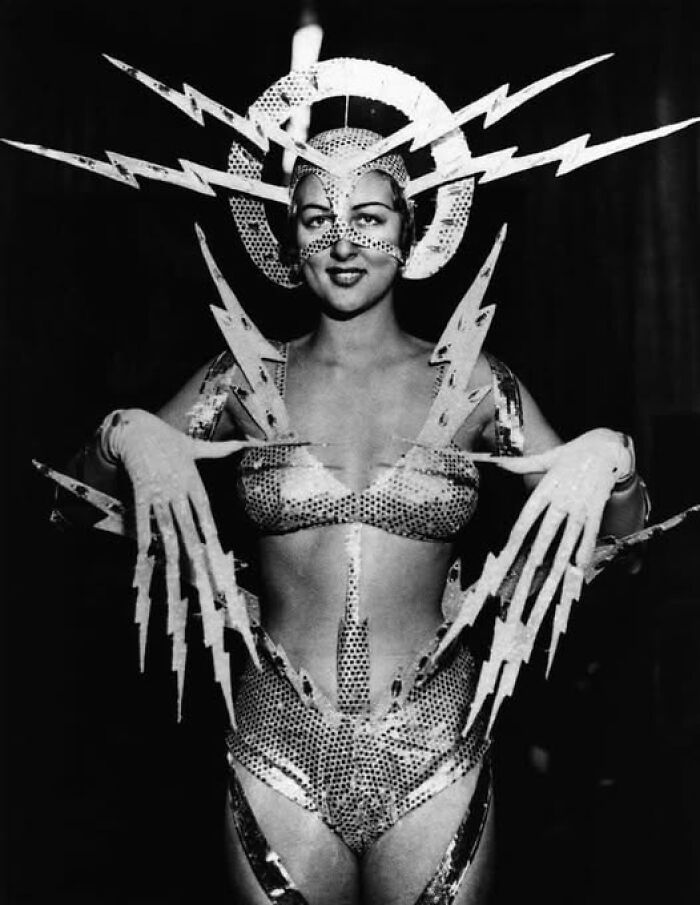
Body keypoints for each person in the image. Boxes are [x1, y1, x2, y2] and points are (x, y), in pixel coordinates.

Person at [22, 56, 696, 905]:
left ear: (411, 234)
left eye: (370, 218)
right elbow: (65, 514)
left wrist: (616, 463)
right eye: (317, 219)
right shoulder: (242, 381)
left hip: (436, 746)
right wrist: (121, 436)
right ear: (288, 239)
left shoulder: (473, 384)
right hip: (277, 745)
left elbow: (622, 552)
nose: (344, 243)